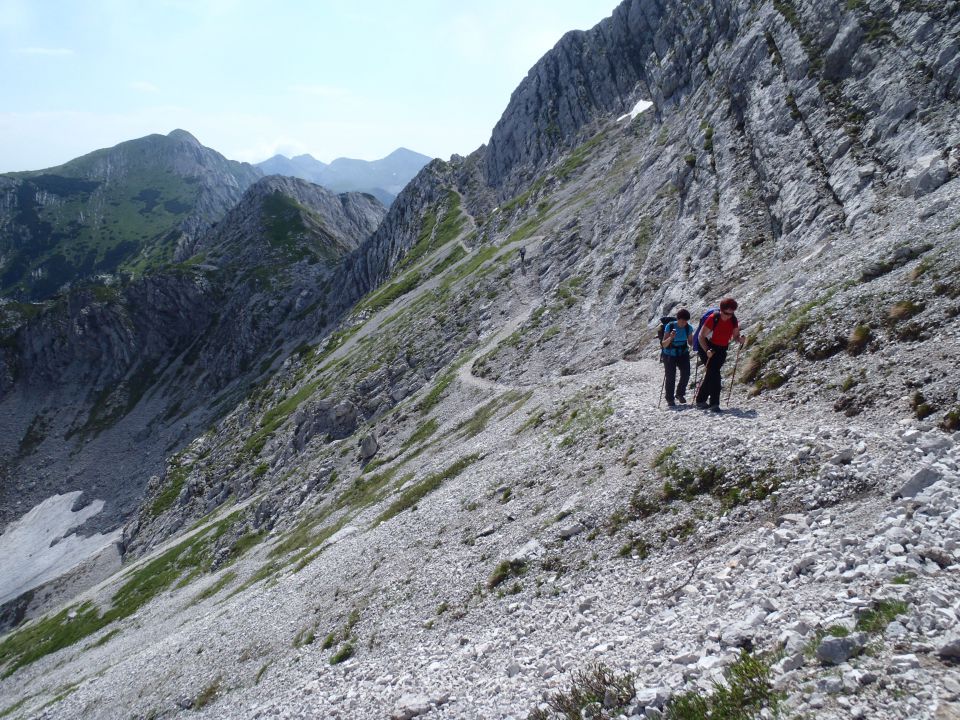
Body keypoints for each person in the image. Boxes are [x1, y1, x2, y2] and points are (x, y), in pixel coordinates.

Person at [695, 298, 745, 411]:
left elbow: (736, 336)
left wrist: (740, 339)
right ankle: (714, 404)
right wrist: (707, 350)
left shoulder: (733, 320)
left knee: (711, 373)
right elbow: (701, 336)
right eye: (727, 313)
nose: (729, 316)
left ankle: (700, 400)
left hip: (722, 349)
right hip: (707, 347)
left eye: (731, 313)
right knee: (715, 373)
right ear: (721, 310)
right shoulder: (713, 319)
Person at [661, 308, 693, 407]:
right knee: (670, 376)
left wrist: (696, 341)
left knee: (686, 373)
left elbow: (690, 343)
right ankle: (670, 399)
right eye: (682, 321)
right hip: (669, 353)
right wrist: (671, 337)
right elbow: (664, 344)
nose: (683, 323)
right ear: (677, 319)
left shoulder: (689, 328)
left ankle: (680, 394)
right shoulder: (669, 327)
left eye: (685, 321)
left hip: (683, 353)